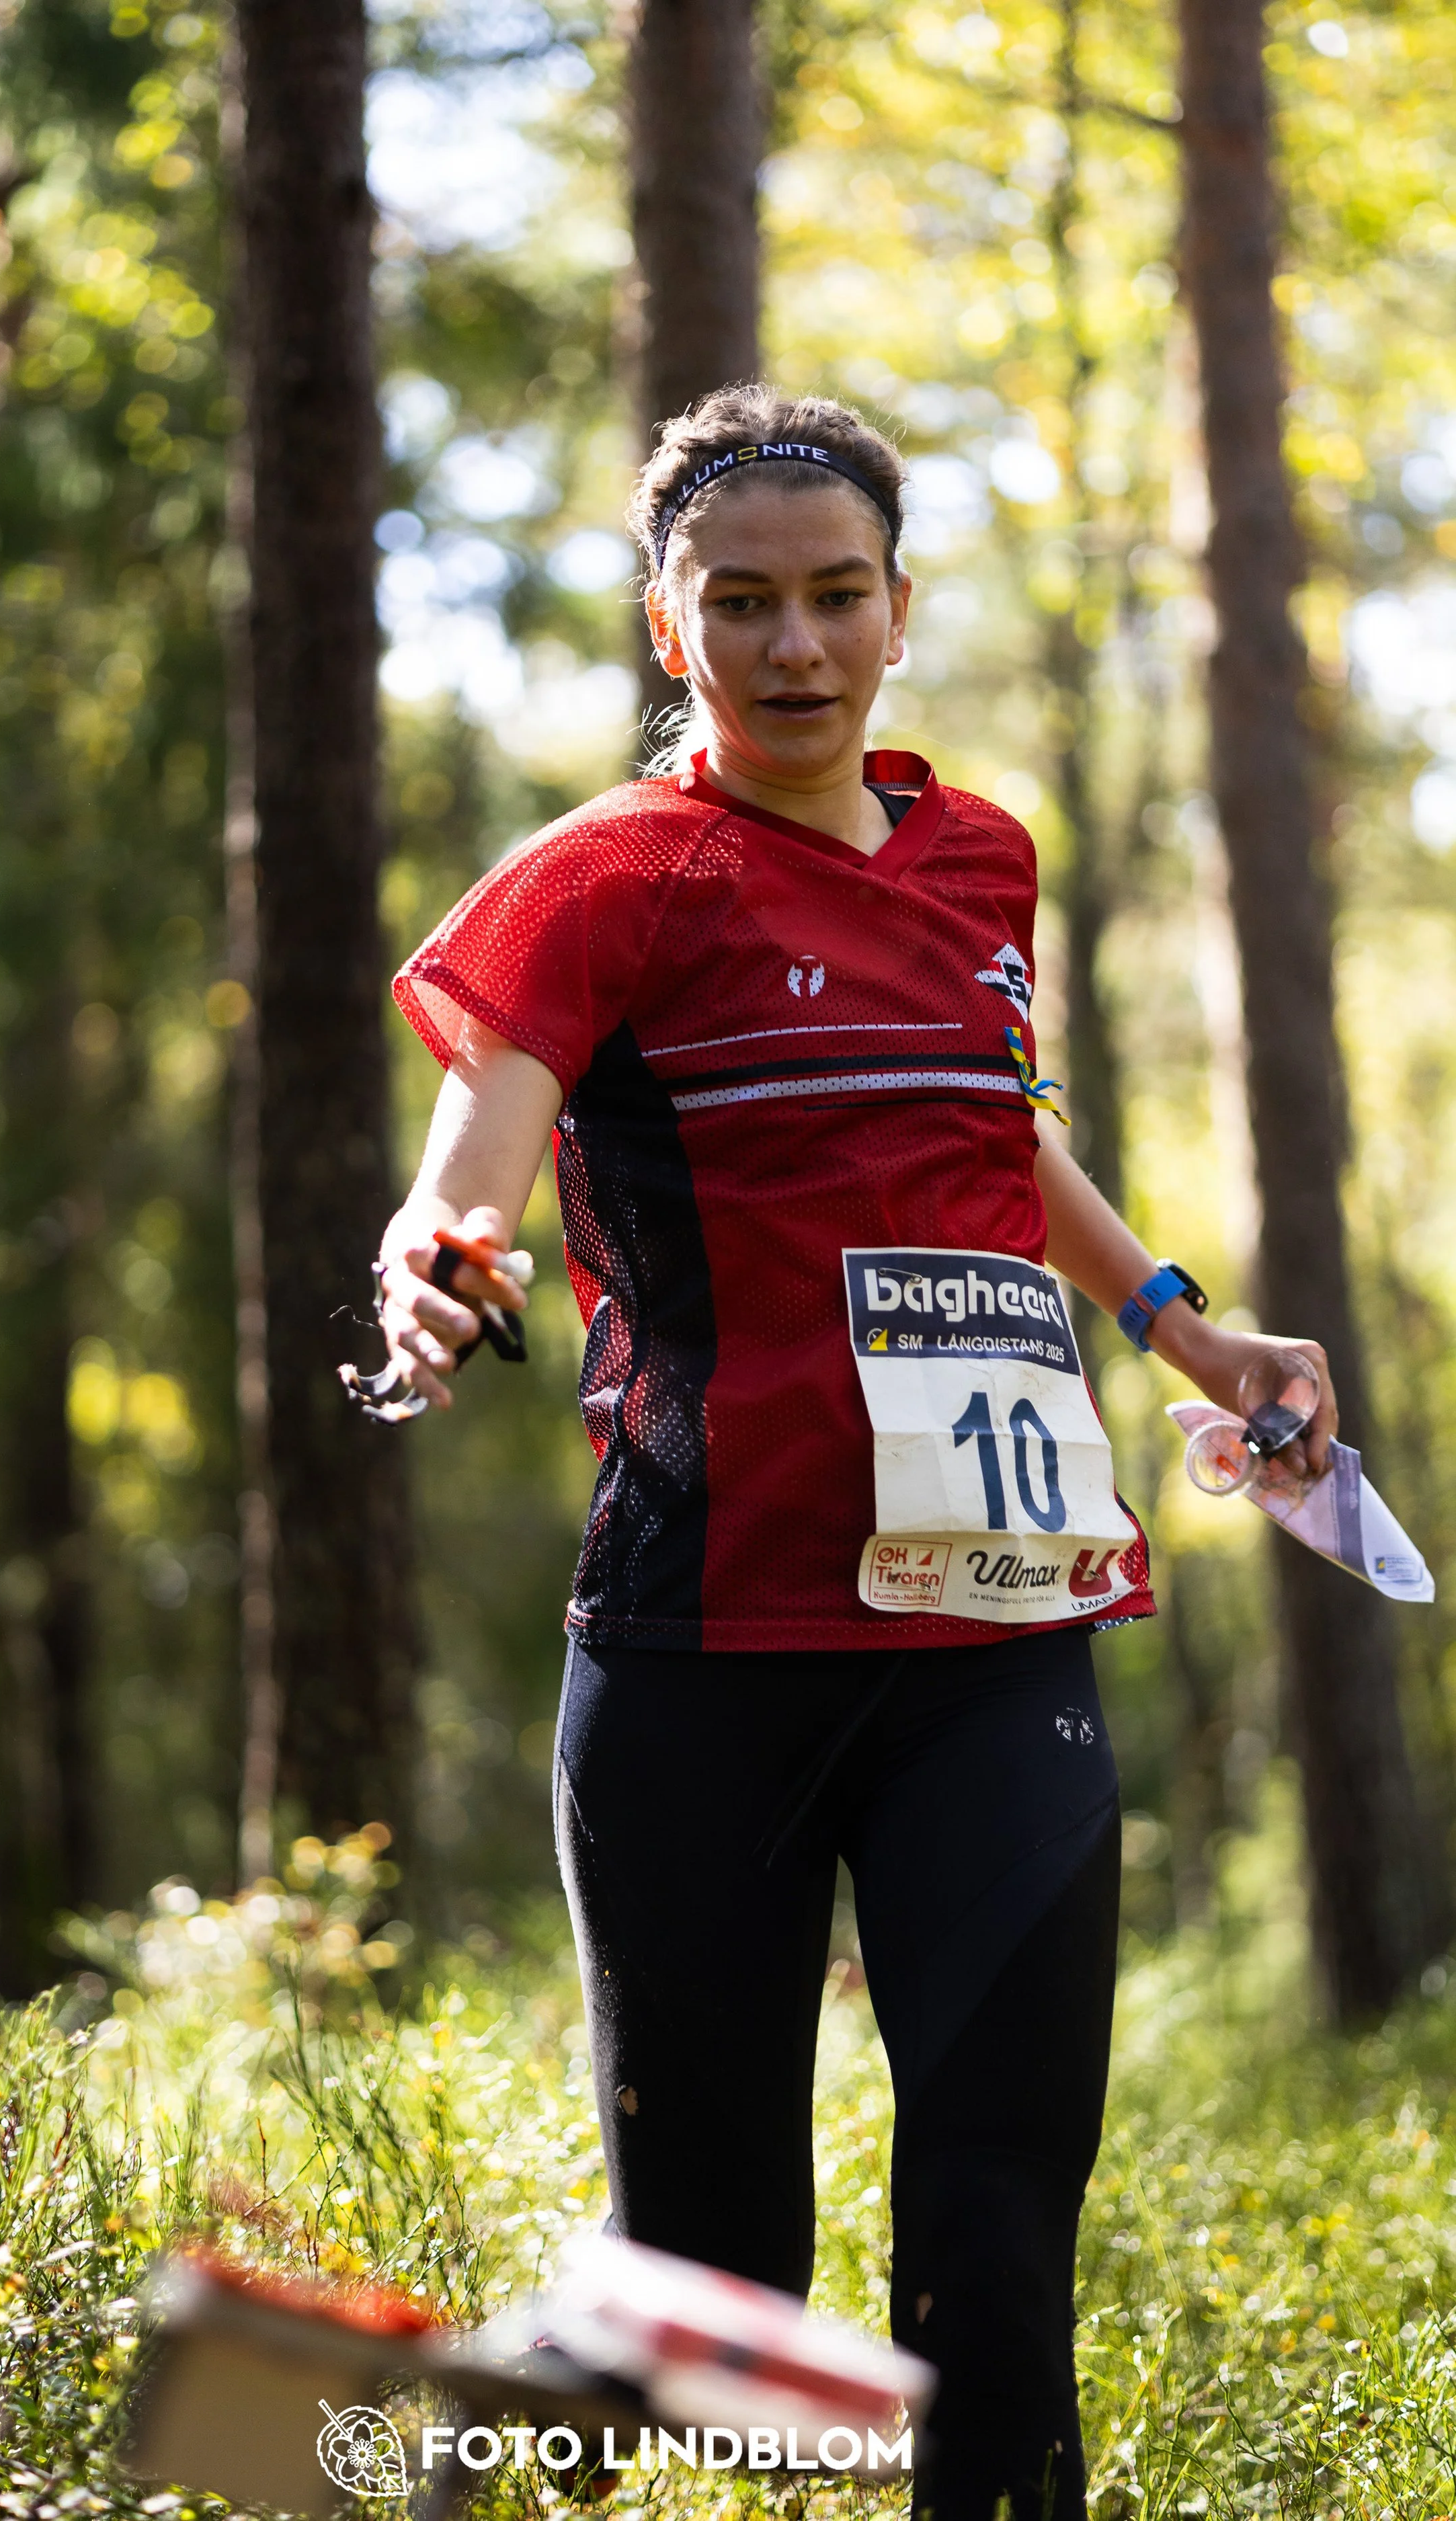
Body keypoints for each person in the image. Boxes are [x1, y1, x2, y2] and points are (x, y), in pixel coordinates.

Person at [372, 385, 1336, 2521]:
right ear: (664, 622)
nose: (791, 646)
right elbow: (478, 1151)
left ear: (898, 612)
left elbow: (994, 1127)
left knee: (995, 2246)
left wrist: (1183, 1316)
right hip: (705, 1638)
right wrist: (432, 1264)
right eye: (741, 605)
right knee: (705, 2286)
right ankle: (392, 2455)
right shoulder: (604, 880)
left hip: (992, 1636)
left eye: (832, 599)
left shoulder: (979, 854)